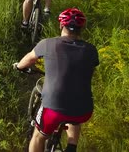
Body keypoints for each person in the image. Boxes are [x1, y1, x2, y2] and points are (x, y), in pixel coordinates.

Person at [13, 8, 99, 152]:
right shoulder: (91, 50)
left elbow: (27, 60)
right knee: (74, 116)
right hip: (84, 110)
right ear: (82, 28)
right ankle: (72, 147)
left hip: (53, 108)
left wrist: (18, 66)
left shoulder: (47, 44)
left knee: (37, 137)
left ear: (61, 25)